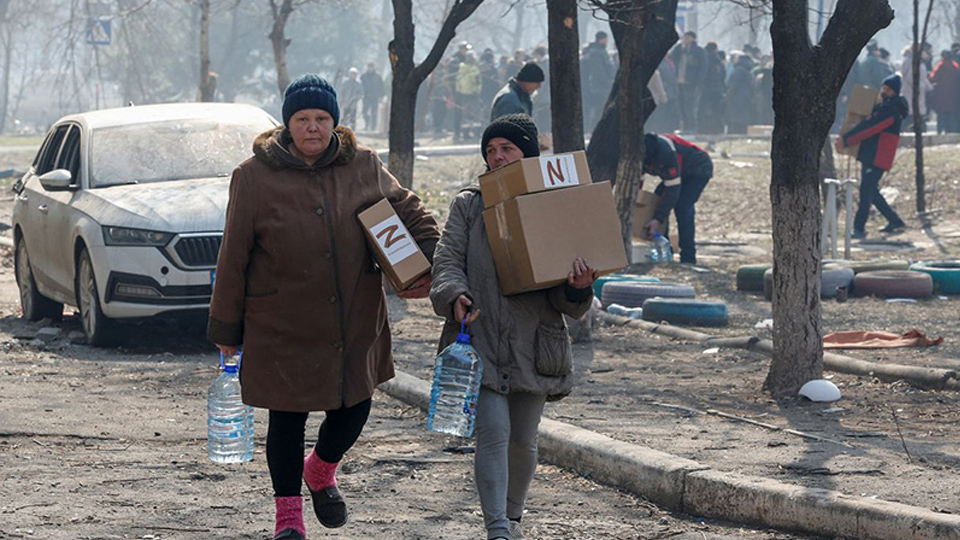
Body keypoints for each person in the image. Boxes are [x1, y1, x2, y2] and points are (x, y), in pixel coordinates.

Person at [207, 73, 441, 540]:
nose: (312, 127)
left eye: (321, 118)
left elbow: (407, 210)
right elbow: (232, 256)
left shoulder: (364, 165)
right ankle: (288, 519)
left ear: (334, 122)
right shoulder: (252, 177)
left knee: (355, 407)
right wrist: (227, 329)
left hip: (353, 318)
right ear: (286, 123)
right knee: (287, 421)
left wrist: (434, 260)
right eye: (302, 119)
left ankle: (321, 470)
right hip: (281, 323)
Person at [429, 113, 596, 540]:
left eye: (507, 149)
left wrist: (578, 287)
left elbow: (564, 298)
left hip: (533, 344)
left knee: (523, 439)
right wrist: (454, 296)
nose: (498, 157)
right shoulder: (469, 204)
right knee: (495, 434)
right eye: (491, 150)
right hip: (478, 339)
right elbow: (446, 262)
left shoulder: (553, 207)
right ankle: (497, 529)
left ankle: (514, 517)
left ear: (528, 155)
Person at [837, 74, 908, 239]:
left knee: (866, 192)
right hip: (873, 154)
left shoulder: (891, 109)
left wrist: (847, 139)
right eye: (883, 88)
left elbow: (871, 127)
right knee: (872, 192)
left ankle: (858, 228)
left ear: (895, 91)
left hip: (878, 155)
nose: (884, 91)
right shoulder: (887, 106)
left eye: (887, 89)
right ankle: (895, 221)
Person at [641, 132, 713, 264]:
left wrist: (658, 219)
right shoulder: (638, 153)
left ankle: (688, 257)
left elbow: (673, 190)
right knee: (657, 200)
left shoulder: (666, 154)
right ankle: (665, 249)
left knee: (683, 207)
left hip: (697, 169)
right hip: (678, 174)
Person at [669, 31, 706, 133]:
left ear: (692, 38)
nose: (685, 39)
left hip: (691, 83)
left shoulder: (698, 51)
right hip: (679, 81)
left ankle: (692, 128)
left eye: (687, 37)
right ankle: (684, 127)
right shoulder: (679, 49)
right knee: (681, 106)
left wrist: (699, 82)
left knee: (689, 105)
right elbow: (671, 58)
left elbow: (703, 68)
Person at [580, 31, 615, 132]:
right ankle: (594, 130)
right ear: (602, 39)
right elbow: (598, 73)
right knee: (600, 110)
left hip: (595, 87)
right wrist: (608, 83)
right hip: (599, 88)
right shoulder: (597, 53)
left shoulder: (593, 51)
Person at [928, 50, 960, 133]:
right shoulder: (955, 66)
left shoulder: (941, 65)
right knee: (951, 113)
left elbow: (933, 77)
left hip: (941, 93)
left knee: (941, 113)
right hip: (953, 93)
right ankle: (950, 129)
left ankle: (940, 129)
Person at [360, 63, 384, 131]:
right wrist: (363, 94)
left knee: (374, 112)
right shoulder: (363, 76)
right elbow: (360, 86)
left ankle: (373, 127)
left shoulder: (378, 76)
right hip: (366, 97)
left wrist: (381, 96)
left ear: (373, 68)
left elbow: (381, 87)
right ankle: (366, 124)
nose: (370, 68)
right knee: (364, 112)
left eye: (371, 67)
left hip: (374, 97)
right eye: (369, 67)